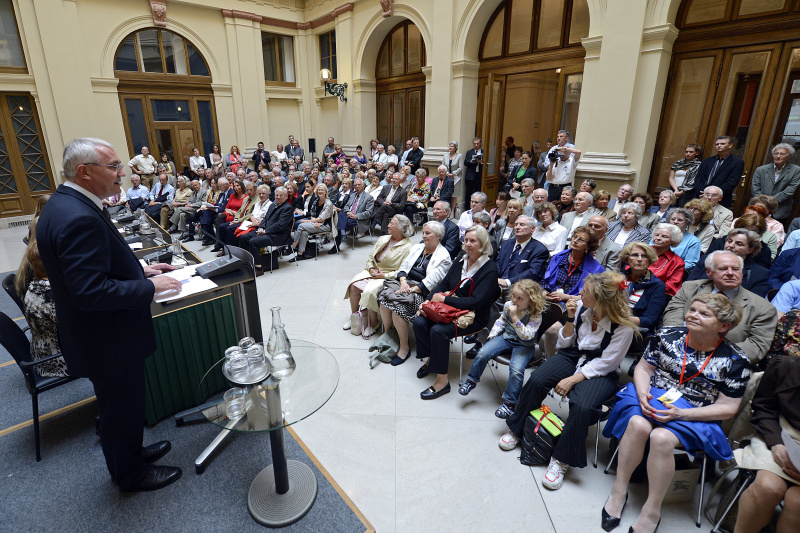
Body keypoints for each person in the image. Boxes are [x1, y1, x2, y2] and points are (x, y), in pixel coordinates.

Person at [36, 137, 182, 492]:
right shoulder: (76, 217)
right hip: (108, 340)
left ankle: (131, 453)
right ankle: (129, 475)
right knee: (119, 409)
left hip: (99, 336)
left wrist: (139, 271)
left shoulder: (65, 204)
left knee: (124, 407)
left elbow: (89, 270)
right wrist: (150, 287)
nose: (123, 173)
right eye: (114, 166)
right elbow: (91, 292)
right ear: (84, 172)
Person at [602, 294, 751, 533]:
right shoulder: (666, 335)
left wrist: (681, 414)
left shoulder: (736, 360)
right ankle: (618, 491)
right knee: (638, 425)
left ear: (724, 326)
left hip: (695, 412)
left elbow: (728, 407)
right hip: (652, 396)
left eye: (704, 314)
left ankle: (652, 509)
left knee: (661, 438)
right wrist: (643, 394)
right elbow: (643, 368)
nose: (693, 315)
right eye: (692, 310)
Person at [499, 271, 637, 491]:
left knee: (582, 406)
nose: (580, 293)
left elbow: (607, 363)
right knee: (536, 379)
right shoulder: (582, 307)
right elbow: (564, 345)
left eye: (586, 291)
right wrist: (570, 318)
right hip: (574, 355)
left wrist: (572, 380)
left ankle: (561, 459)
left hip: (602, 369)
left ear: (600, 299)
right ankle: (517, 428)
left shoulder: (624, 328)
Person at [413, 225, 500, 399]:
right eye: (466, 240)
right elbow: (444, 284)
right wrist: (428, 302)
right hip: (449, 310)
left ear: (483, 244)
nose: (468, 244)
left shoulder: (490, 269)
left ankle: (442, 382)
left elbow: (476, 301)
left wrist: (444, 300)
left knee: (438, 331)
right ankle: (431, 359)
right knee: (419, 321)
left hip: (473, 315)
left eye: (473, 241)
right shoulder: (461, 259)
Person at [663, 250, 778, 364]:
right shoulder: (690, 288)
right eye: (723, 269)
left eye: (735, 269)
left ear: (742, 273)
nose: (730, 273)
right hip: (677, 350)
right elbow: (672, 316)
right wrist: (680, 345)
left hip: (724, 363)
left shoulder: (763, 308)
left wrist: (710, 356)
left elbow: (757, 345)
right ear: (709, 272)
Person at [733, 348, 800, 533]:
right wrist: (776, 443)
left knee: (797, 502)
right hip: (779, 433)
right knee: (767, 488)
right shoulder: (785, 366)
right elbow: (764, 408)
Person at [459, 279, 546, 418]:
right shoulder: (508, 305)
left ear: (531, 301)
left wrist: (515, 317)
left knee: (516, 369)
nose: (515, 300)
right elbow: (502, 321)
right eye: (514, 296)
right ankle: (471, 380)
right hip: (507, 338)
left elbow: (526, 336)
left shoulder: (536, 315)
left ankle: (510, 403)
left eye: (520, 298)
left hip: (524, 345)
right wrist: (493, 334)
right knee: (483, 352)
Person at [378, 221, 452, 365]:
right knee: (384, 300)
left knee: (397, 308)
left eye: (428, 233)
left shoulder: (444, 257)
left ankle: (404, 347)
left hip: (423, 294)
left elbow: (429, 283)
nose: (424, 236)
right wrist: (403, 282)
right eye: (423, 233)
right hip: (405, 284)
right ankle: (389, 337)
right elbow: (404, 266)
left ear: (439, 236)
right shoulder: (418, 247)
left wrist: (407, 290)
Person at [540, 227, 606, 356]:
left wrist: (566, 296)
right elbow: (545, 282)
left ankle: (550, 360)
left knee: (552, 330)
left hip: (573, 306)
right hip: (550, 300)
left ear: (588, 246)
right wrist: (545, 292)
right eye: (575, 237)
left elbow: (591, 298)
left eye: (581, 240)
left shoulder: (596, 269)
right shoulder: (558, 257)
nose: (575, 241)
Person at [345, 215, 414, 332]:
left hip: (387, 276)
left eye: (392, 224)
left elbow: (404, 270)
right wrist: (371, 268)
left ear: (401, 228)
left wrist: (384, 275)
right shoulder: (383, 238)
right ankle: (354, 317)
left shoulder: (409, 247)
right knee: (353, 286)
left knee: (369, 292)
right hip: (373, 270)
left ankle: (374, 323)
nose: (388, 225)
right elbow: (371, 257)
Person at [688, 229, 770, 298]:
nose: (731, 245)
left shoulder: (760, 274)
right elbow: (688, 287)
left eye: (739, 244)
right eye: (729, 241)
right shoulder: (706, 260)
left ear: (750, 250)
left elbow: (753, 304)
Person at [619, 242, 667, 339]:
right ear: (627, 258)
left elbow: (650, 320)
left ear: (649, 260)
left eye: (644, 256)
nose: (640, 259)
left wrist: (618, 318)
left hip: (634, 329)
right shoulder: (618, 277)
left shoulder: (657, 285)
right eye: (635, 255)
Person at [245, 186, 294, 274]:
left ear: (286, 196)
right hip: (267, 231)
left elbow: (280, 225)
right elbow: (265, 219)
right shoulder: (273, 205)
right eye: (277, 195)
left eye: (281, 195)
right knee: (244, 237)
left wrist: (265, 231)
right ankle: (249, 263)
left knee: (254, 241)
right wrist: (261, 228)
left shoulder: (288, 208)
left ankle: (259, 268)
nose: (278, 197)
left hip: (279, 236)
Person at [751, 142, 800, 223]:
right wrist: (762, 203)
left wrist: (769, 203)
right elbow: (755, 187)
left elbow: (790, 190)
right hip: (758, 207)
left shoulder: (796, 170)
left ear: (789, 156)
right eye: (776, 153)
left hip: (780, 210)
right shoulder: (761, 169)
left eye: (782, 154)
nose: (778, 156)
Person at [496, 215, 550, 286]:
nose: (517, 227)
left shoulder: (540, 250)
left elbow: (533, 273)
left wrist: (508, 282)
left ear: (532, 229)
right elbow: (498, 264)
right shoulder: (506, 244)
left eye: (522, 225)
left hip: (519, 286)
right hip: (497, 283)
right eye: (516, 225)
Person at [693, 135, 745, 208]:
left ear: (730, 145)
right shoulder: (707, 161)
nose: (719, 146)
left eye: (722, 144)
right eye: (717, 144)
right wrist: (704, 193)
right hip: (701, 197)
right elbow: (698, 178)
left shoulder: (737, 162)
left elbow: (732, 182)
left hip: (722, 199)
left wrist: (713, 194)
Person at [291, 184, 334, 260]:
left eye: (322, 190)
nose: (320, 191)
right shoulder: (316, 201)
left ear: (326, 192)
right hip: (316, 223)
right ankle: (300, 254)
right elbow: (312, 214)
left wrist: (308, 221)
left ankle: (294, 245)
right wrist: (314, 222)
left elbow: (322, 219)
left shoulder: (328, 203)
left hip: (325, 225)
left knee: (301, 225)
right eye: (319, 190)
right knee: (304, 232)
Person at [333, 177, 374, 250]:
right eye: (355, 185)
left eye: (359, 185)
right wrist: (348, 212)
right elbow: (346, 206)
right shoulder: (352, 195)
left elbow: (369, 212)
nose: (357, 186)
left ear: (363, 186)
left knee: (340, 222)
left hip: (358, 219)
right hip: (348, 215)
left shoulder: (369, 197)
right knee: (341, 214)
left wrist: (356, 216)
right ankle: (342, 232)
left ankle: (336, 246)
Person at [648, 223, 685, 297]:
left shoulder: (678, 262)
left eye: (664, 236)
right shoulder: (642, 252)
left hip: (656, 295)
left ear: (673, 240)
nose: (658, 238)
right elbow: (628, 270)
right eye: (657, 235)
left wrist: (649, 288)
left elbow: (672, 286)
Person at [546, 130, 581, 201]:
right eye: (560, 152)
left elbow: (579, 152)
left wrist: (563, 148)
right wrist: (551, 165)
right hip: (553, 188)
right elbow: (548, 178)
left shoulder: (572, 161)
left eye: (564, 152)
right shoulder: (556, 161)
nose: (562, 154)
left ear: (569, 153)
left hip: (565, 187)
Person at [463, 138, 484, 210]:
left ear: (480, 144)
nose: (476, 145)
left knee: (479, 193)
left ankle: (478, 208)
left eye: (477, 143)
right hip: (470, 175)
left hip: (479, 175)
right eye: (475, 144)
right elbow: (465, 163)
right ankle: (467, 209)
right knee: (468, 193)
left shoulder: (484, 152)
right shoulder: (469, 152)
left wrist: (482, 162)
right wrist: (472, 161)